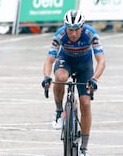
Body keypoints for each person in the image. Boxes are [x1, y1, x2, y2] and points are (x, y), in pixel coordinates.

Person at [41, 10, 106, 156]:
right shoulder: (59, 35)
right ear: (65, 28)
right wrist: (46, 76)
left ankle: (84, 147)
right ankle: (59, 111)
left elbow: (101, 60)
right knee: (60, 78)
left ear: (82, 27)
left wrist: (94, 78)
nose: (74, 33)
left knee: (85, 103)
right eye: (70, 29)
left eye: (77, 29)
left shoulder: (91, 34)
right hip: (66, 61)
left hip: (85, 66)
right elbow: (50, 59)